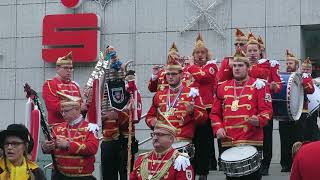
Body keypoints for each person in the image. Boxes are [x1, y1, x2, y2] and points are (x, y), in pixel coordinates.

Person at [210, 48, 273, 180]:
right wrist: (218, 128)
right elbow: (215, 113)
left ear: (248, 67)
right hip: (229, 140)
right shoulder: (222, 87)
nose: (236, 68)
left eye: (240, 65)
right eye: (234, 66)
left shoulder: (259, 85)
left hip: (251, 139)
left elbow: (267, 111)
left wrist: (259, 120)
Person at [145, 42, 208, 154]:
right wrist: (152, 121)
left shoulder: (192, 93)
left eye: (173, 74)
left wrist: (193, 112)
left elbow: (204, 118)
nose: (170, 77)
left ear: (181, 75)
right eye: (168, 74)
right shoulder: (159, 95)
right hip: (163, 141)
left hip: (183, 141)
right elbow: (149, 116)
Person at [99, 46, 142, 180]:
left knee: (127, 175)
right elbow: (95, 113)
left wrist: (117, 115)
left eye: (117, 71)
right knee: (108, 175)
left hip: (126, 141)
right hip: (109, 140)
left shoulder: (131, 91)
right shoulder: (102, 94)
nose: (114, 74)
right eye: (111, 72)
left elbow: (136, 115)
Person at [245, 32, 282, 175]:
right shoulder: (240, 64)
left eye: (255, 50)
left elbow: (278, 84)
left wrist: (274, 86)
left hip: (264, 105)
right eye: (250, 51)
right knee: (248, 135)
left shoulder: (269, 65)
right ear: (245, 52)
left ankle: (265, 164)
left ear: (260, 51)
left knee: (266, 135)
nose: (253, 53)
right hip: (246, 105)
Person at [42, 92, 99, 180]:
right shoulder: (57, 128)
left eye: (66, 111)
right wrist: (45, 147)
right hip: (60, 176)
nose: (63, 114)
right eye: (62, 111)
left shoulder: (90, 127)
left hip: (82, 177)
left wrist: (68, 145)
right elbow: (49, 149)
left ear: (77, 109)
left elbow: (92, 148)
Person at [185, 33, 218, 179]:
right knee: (190, 140)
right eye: (197, 53)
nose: (200, 55)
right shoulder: (187, 69)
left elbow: (203, 76)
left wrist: (191, 66)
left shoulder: (211, 66)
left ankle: (203, 172)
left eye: (202, 52)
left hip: (206, 108)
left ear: (207, 54)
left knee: (204, 141)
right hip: (190, 108)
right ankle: (191, 169)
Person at [278, 50, 314, 172]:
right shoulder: (281, 77)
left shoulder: (303, 76)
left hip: (300, 113)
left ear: (297, 66)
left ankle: (298, 163)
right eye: (287, 63)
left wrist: (303, 80)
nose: (288, 65)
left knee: (298, 139)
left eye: (291, 63)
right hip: (284, 113)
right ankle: (285, 164)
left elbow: (311, 90)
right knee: (284, 139)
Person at [42, 52, 83, 126]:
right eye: (66, 68)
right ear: (57, 68)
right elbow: (54, 106)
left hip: (76, 127)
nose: (69, 70)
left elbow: (81, 104)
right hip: (58, 127)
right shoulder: (50, 84)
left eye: (71, 68)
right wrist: (77, 107)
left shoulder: (75, 85)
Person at [300, 57, 319, 141]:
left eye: (307, 69)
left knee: (313, 133)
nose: (305, 71)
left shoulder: (315, 81)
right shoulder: (297, 80)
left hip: (314, 112)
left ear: (311, 71)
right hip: (302, 111)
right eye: (303, 69)